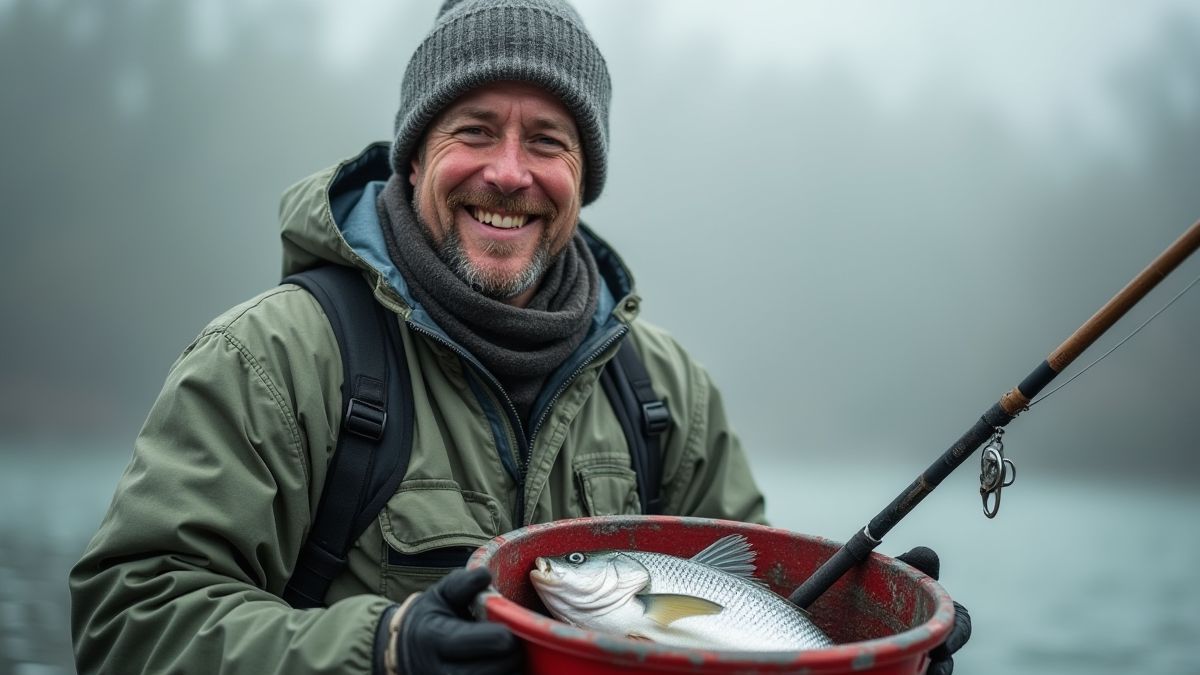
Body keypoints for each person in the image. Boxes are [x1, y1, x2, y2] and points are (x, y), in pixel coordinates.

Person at [69, 1, 969, 673]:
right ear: (415, 155)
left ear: (583, 175)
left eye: (547, 140)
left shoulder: (668, 395)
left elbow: (749, 616)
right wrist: (381, 649)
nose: (508, 173)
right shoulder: (273, 359)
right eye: (473, 131)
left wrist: (873, 635)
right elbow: (126, 617)